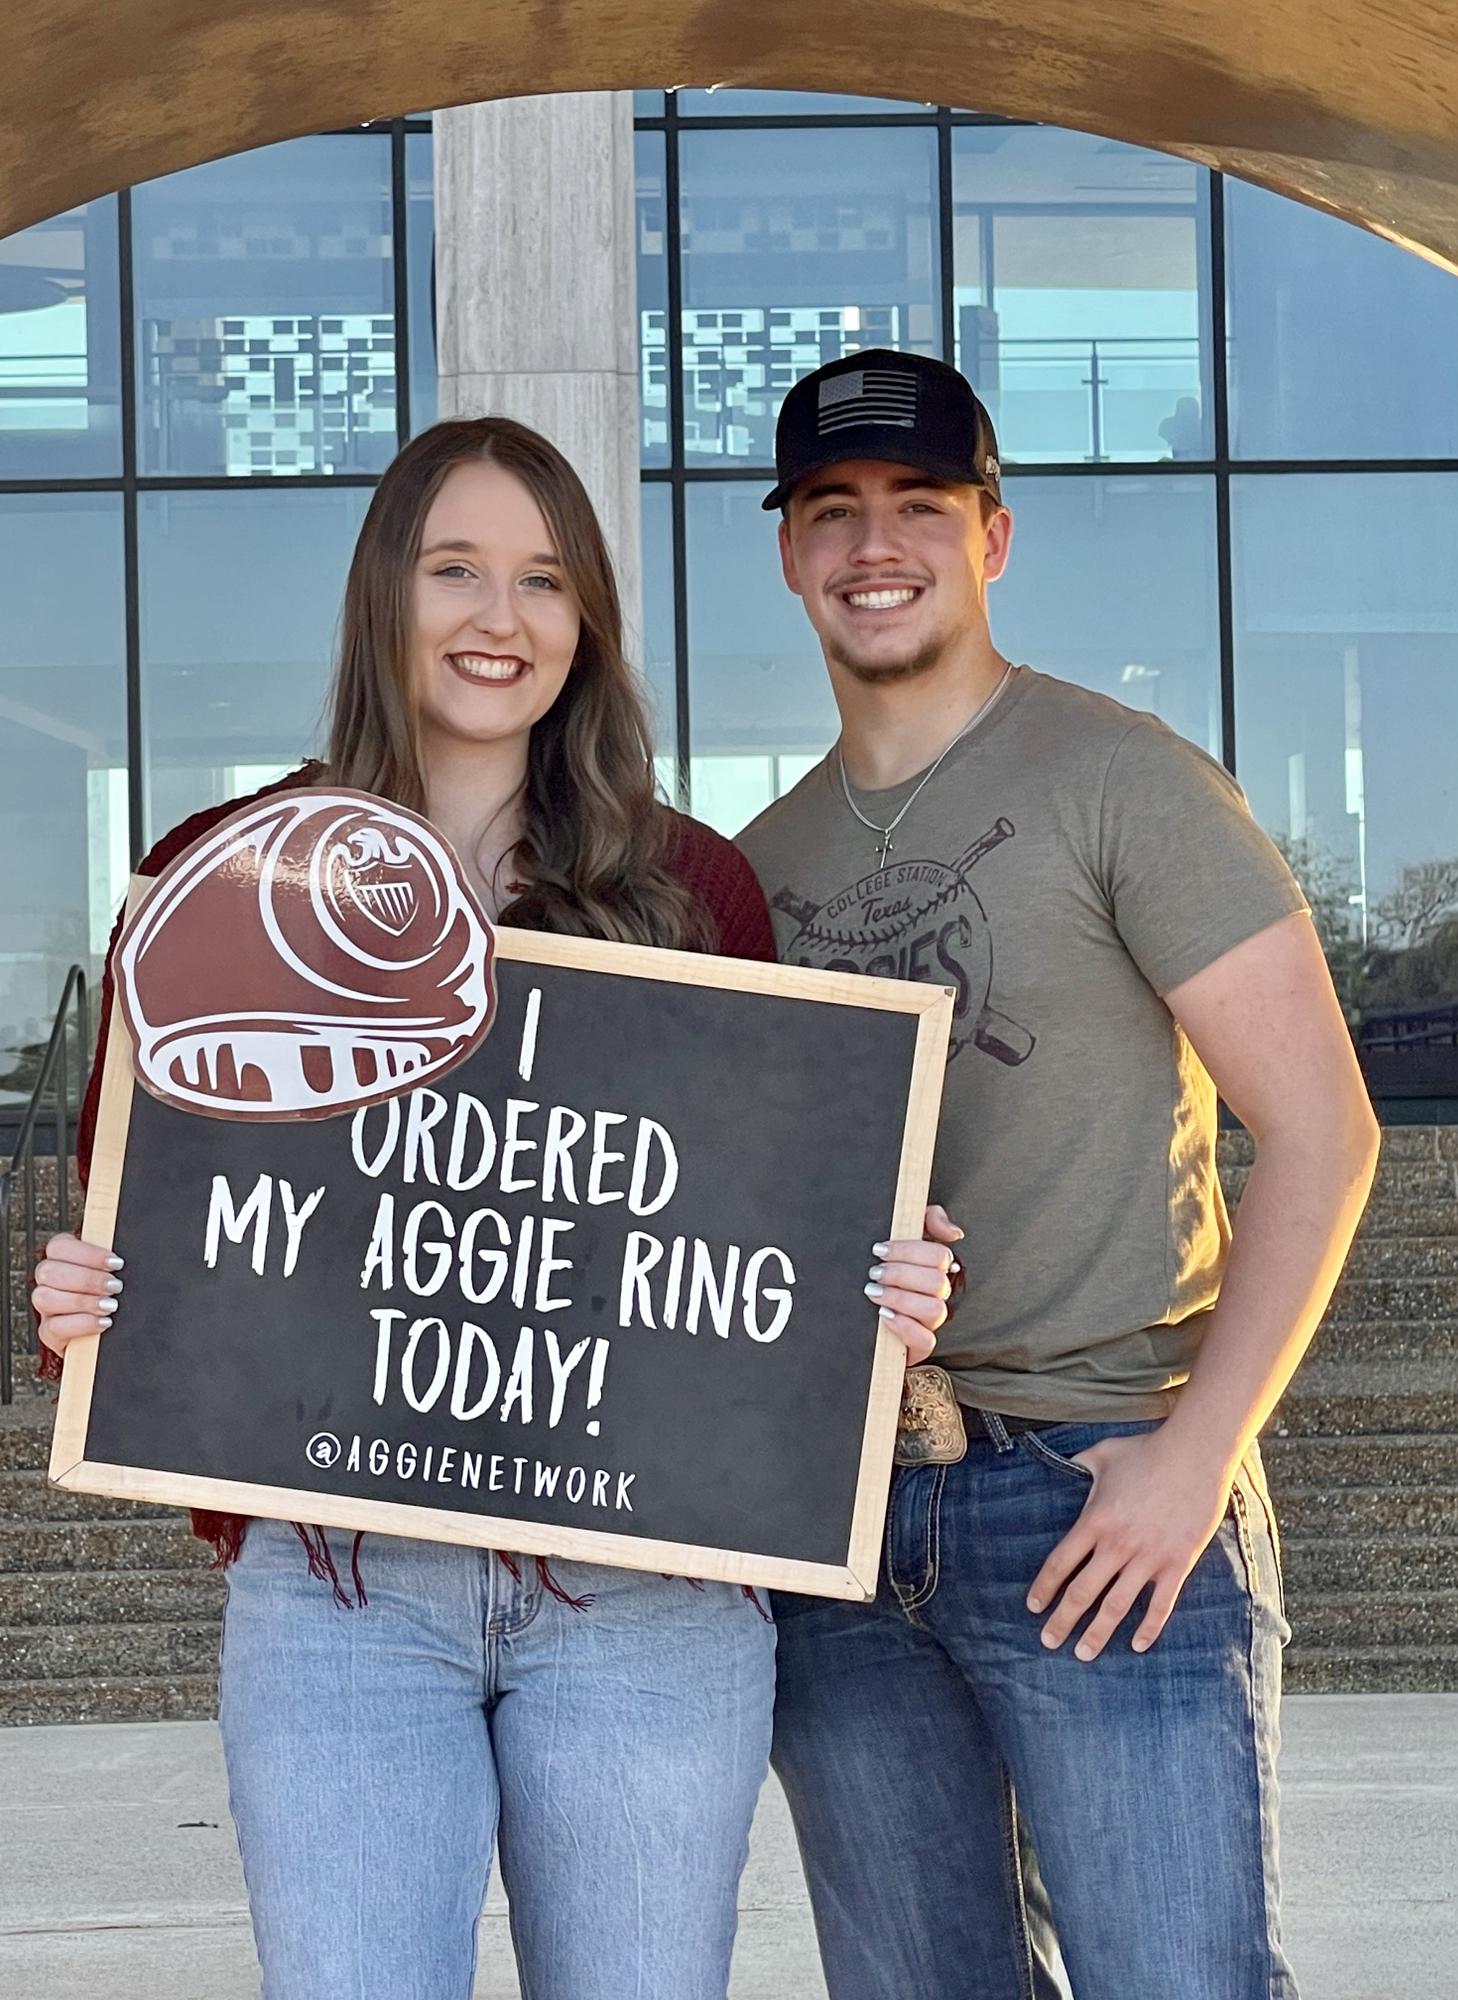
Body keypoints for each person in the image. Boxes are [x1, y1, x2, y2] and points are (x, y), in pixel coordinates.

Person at [31, 415, 955, 2000]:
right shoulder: (225, 879)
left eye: (542, 581)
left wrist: (866, 1296)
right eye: (456, 569)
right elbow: (161, 1245)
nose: (498, 619)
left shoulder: (690, 891)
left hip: (644, 1600)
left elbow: (750, 1250)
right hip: (344, 1586)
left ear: (584, 621)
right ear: (385, 594)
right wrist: (92, 1317)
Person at [735, 349, 1382, 2000]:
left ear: (994, 537)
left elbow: (1324, 1128)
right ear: (791, 551)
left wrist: (1192, 1460)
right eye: (833, 510)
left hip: (1100, 1486)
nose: (875, 544)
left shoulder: (1121, 777)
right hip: (849, 1522)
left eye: (920, 506)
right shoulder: (757, 867)